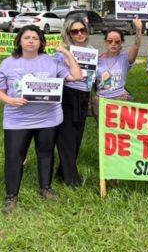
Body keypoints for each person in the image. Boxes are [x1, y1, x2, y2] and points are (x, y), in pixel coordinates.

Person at [0, 25, 82, 214]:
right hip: (17, 120)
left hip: (48, 118)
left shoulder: (51, 62)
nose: (31, 40)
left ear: (42, 42)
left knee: (45, 153)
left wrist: (67, 53)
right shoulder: (8, 63)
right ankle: (11, 196)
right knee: (14, 157)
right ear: (19, 41)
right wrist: (10, 100)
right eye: (27, 37)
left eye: (35, 37)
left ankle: (45, 189)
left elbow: (77, 76)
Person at [54, 18, 97, 187]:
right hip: (67, 94)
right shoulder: (61, 51)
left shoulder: (91, 50)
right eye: (75, 31)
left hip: (84, 96)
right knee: (67, 138)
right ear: (68, 33)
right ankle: (72, 180)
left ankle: (61, 174)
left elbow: (94, 76)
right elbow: (55, 73)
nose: (79, 33)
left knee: (77, 137)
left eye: (82, 30)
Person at [93, 18, 143, 115]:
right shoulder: (96, 60)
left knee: (120, 130)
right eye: (110, 41)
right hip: (101, 101)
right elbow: (93, 82)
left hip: (121, 99)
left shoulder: (125, 58)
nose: (113, 44)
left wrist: (138, 29)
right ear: (105, 42)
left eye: (117, 41)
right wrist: (98, 95)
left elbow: (136, 45)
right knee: (103, 129)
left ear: (121, 43)